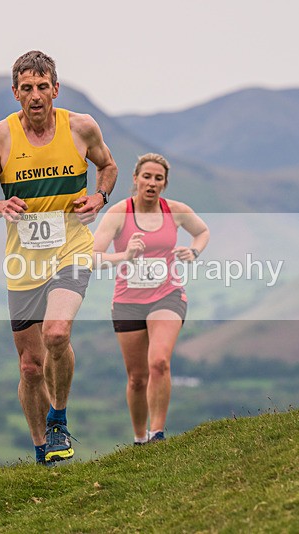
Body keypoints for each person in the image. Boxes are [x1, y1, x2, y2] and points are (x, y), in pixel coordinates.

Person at [0, 51, 117, 464]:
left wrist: (100, 196)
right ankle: (42, 452)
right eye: (26, 88)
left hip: (72, 249)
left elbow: (108, 166)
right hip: (24, 262)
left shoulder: (81, 127)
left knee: (56, 334)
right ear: (15, 93)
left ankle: (58, 420)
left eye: (42, 86)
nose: (35, 95)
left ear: (56, 89)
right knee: (30, 367)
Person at [92, 153, 209, 444]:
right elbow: (92, 258)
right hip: (128, 301)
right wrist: (125, 255)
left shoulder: (176, 211)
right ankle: (139, 438)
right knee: (137, 378)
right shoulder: (119, 213)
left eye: (158, 178)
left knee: (159, 362)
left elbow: (202, 231)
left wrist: (194, 251)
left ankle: (157, 434)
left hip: (167, 295)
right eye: (147, 177)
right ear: (135, 179)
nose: (152, 183)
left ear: (164, 184)